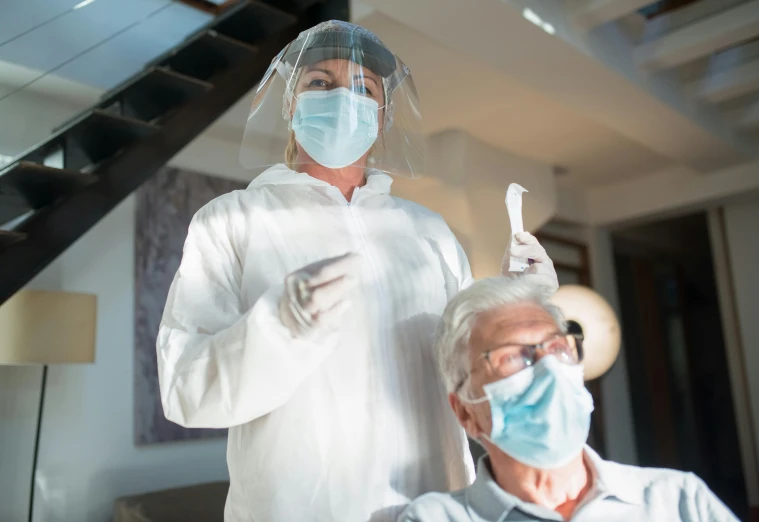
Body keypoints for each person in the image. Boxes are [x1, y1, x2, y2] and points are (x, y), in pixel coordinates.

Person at [156, 20, 557, 522]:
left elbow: (471, 375)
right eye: (320, 82)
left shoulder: (428, 232)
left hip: (434, 505)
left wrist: (516, 308)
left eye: (363, 88)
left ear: (383, 115)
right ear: (291, 105)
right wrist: (279, 328)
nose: (343, 99)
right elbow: (186, 391)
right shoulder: (232, 219)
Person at [399, 277, 739, 522]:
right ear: (465, 413)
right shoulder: (434, 518)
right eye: (514, 357)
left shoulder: (678, 501)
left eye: (559, 348)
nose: (550, 368)